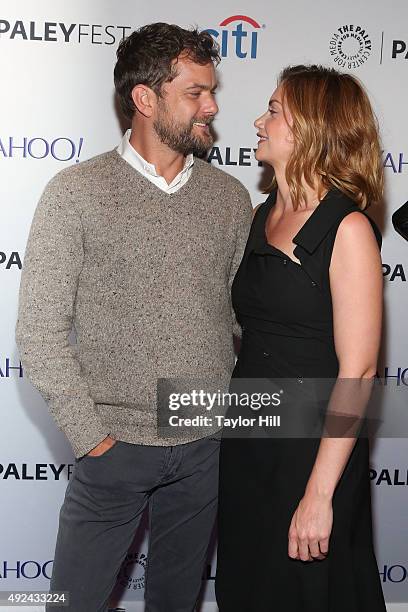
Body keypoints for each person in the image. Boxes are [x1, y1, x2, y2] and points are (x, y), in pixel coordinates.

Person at [15, 23, 252, 612]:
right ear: (145, 100)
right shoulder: (76, 192)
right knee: (75, 603)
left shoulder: (230, 198)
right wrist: (94, 439)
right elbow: (39, 331)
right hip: (112, 452)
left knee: (178, 602)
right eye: (195, 93)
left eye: (212, 90)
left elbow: (238, 318)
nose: (213, 106)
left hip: (204, 448)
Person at [215, 65, 387, 611]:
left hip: (314, 452)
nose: (258, 121)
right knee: (248, 584)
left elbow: (357, 373)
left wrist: (319, 493)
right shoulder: (261, 213)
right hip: (250, 441)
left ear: (311, 127)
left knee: (307, 593)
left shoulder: (348, 229)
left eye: (273, 110)